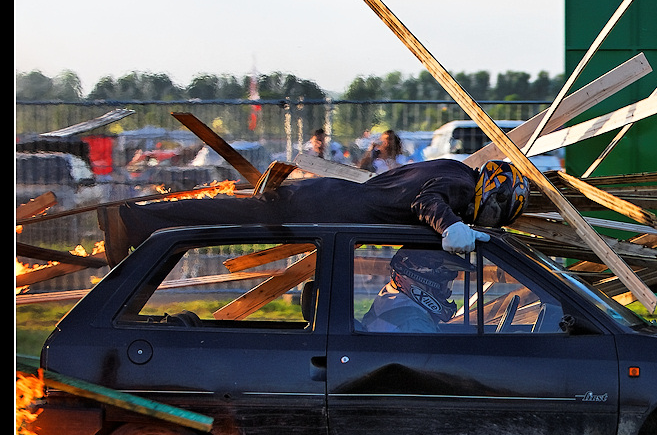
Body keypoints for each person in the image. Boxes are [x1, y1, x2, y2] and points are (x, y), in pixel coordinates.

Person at [98, 159, 529, 266]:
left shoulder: (452, 168)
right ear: (492, 190)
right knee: (225, 218)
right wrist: (451, 226)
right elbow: (426, 203)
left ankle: (137, 226)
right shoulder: (457, 185)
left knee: (226, 219)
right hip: (324, 207)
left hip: (326, 201)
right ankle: (132, 222)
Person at [361, 248, 467, 333]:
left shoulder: (391, 296)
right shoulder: (414, 324)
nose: (447, 293)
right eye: (444, 285)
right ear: (421, 281)